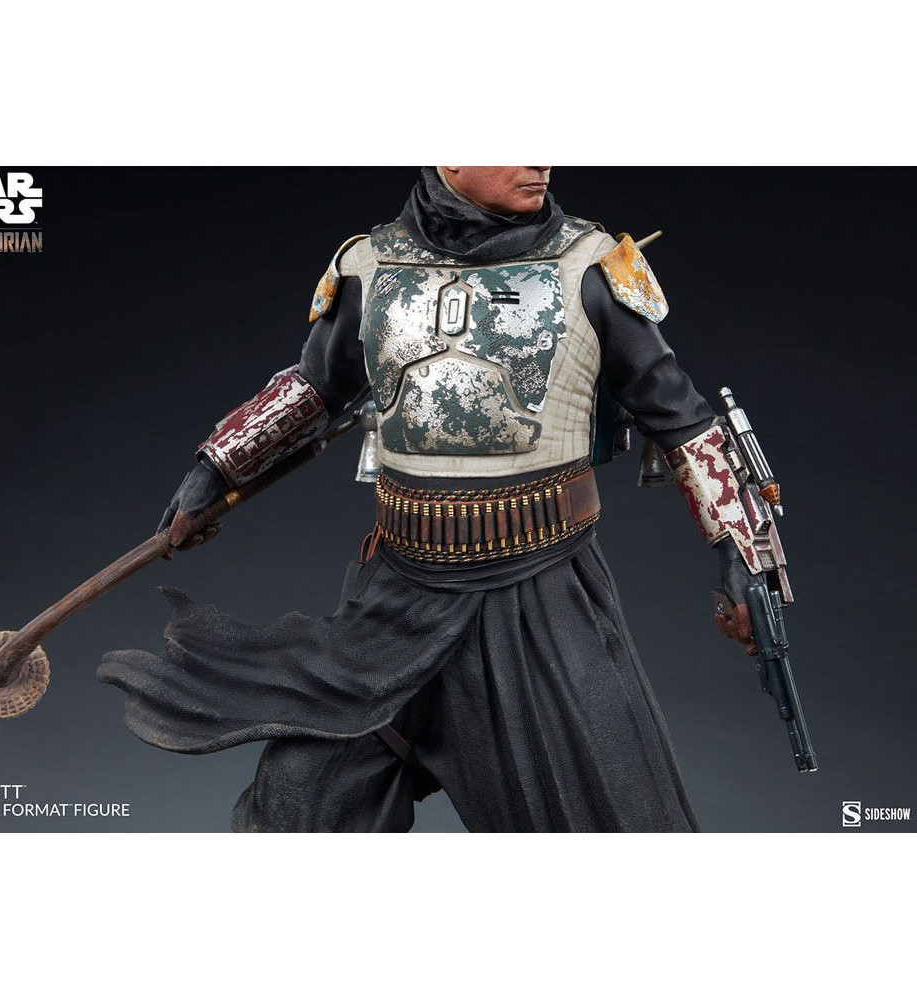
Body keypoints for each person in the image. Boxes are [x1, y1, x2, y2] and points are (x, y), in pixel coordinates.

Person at [98, 166, 767, 832]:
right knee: (298, 806)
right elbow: (318, 385)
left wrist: (745, 552)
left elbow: (683, 420)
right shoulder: (370, 265)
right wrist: (218, 464)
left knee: (607, 821)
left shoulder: (589, 266)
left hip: (542, 598)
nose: (541, 160)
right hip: (394, 604)